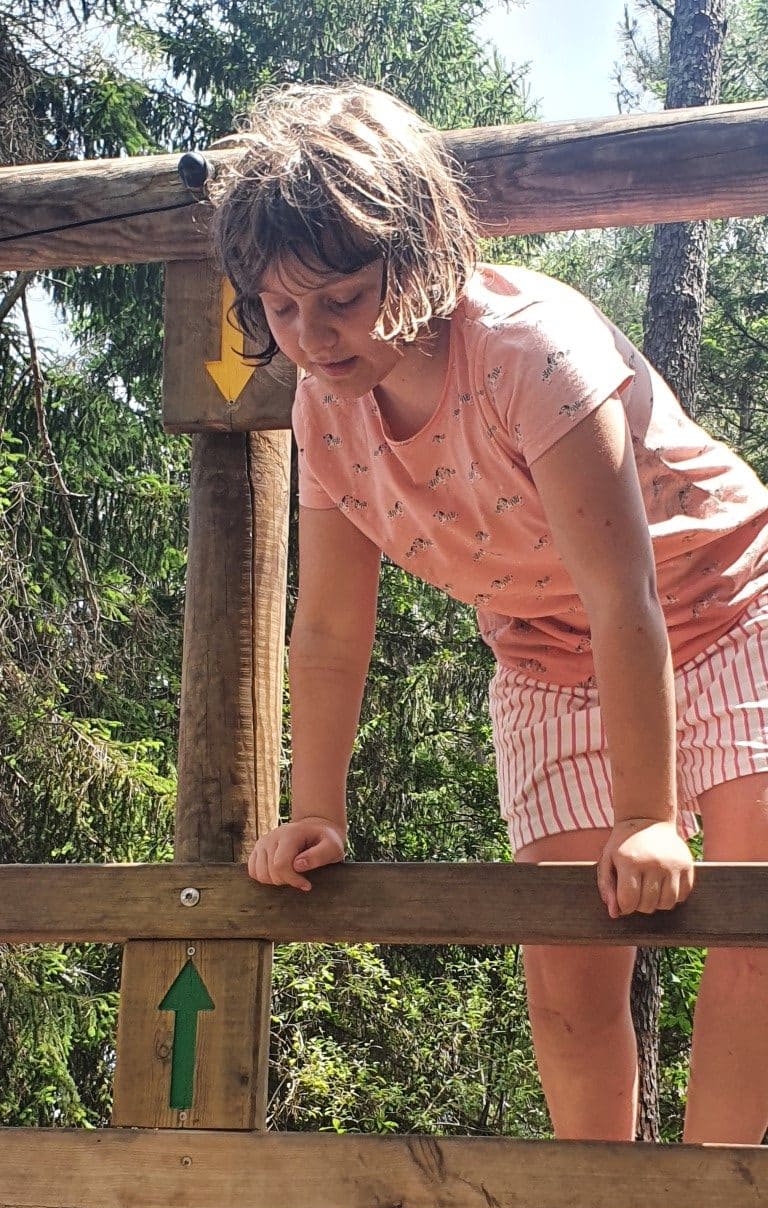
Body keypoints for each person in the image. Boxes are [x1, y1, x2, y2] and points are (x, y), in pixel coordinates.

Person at [211, 82, 768, 1149]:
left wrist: (646, 815)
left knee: (750, 923)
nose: (312, 335)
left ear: (416, 255)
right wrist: (315, 809)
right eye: (280, 309)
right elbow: (329, 630)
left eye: (340, 298)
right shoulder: (323, 404)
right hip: (548, 655)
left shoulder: (529, 352)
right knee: (565, 967)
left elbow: (625, 595)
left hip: (725, 598)